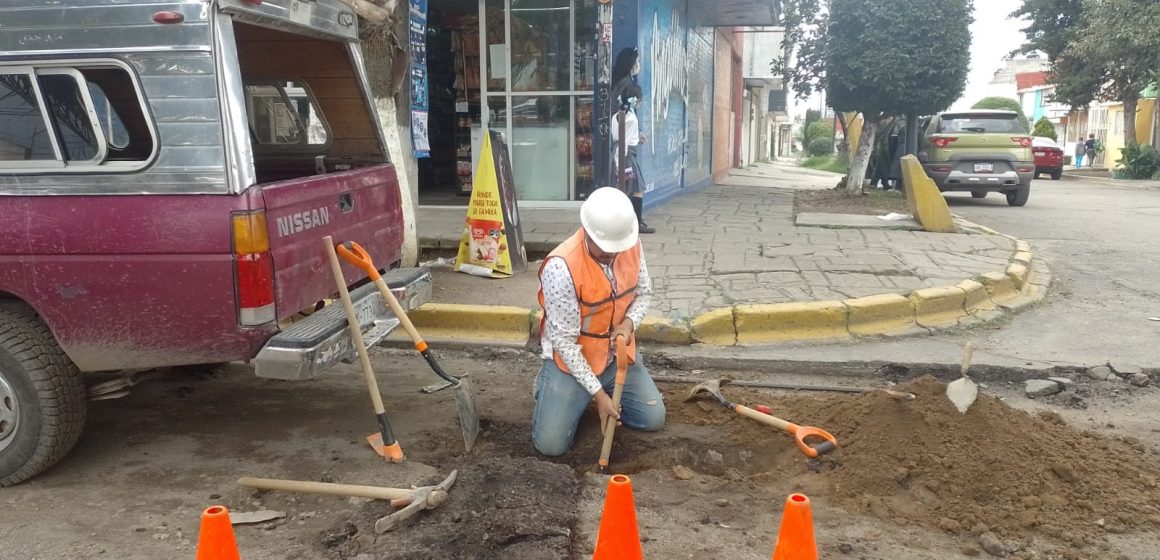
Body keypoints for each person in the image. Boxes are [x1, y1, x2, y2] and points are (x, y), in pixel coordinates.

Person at [532, 187, 665, 457]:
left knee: (653, 419)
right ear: (587, 232)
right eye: (606, 252)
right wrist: (600, 396)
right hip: (573, 362)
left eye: (618, 249)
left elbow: (644, 292)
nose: (614, 256)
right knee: (550, 446)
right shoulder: (562, 267)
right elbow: (565, 343)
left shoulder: (629, 245)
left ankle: (589, 394)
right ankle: (553, 388)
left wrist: (628, 324)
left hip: (617, 358)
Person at [611, 84, 654, 233]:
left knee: (625, 189)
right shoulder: (631, 119)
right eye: (640, 99)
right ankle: (636, 223)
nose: (641, 102)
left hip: (619, 153)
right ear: (635, 100)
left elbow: (620, 138)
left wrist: (638, 136)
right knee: (637, 189)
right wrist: (620, 164)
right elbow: (625, 142)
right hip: (626, 155)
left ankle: (632, 221)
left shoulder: (616, 116)